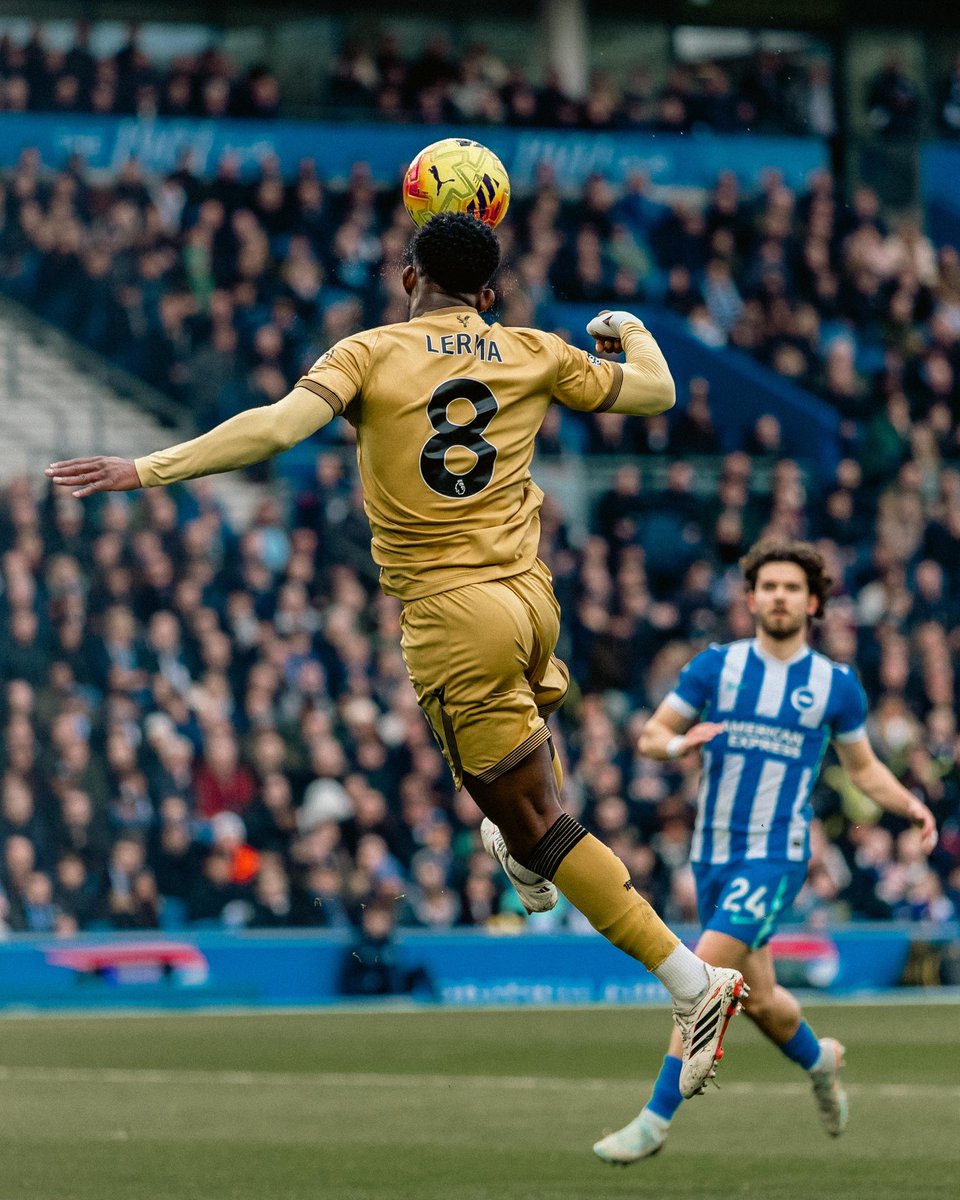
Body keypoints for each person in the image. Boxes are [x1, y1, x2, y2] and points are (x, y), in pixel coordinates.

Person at [46, 211, 745, 1097]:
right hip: (532, 602)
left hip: (454, 618)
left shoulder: (368, 353)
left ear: (407, 274)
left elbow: (270, 430)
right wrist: (631, 330)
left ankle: (691, 983)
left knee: (534, 821)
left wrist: (146, 467)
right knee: (519, 809)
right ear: (488, 294)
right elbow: (656, 393)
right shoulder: (531, 348)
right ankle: (526, 862)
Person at [591, 539, 938, 1165]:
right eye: (769, 586)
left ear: (813, 603)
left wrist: (910, 804)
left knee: (702, 975)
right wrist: (678, 747)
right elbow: (650, 736)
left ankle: (655, 1119)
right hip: (713, 856)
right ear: (751, 599)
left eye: (792, 588)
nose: (779, 596)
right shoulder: (715, 667)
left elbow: (862, 770)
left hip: (775, 855)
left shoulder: (835, 685)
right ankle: (820, 1060)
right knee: (759, 1002)